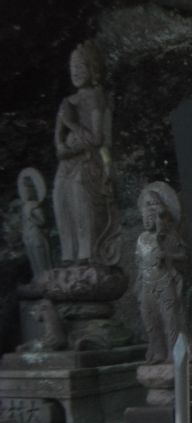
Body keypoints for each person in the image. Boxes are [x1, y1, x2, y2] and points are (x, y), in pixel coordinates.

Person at [52, 40, 119, 265]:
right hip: (68, 161)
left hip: (89, 160)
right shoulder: (66, 102)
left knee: (79, 189)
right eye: (73, 67)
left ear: (93, 69)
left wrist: (71, 124)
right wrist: (63, 146)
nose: (76, 71)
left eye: (81, 66)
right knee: (59, 194)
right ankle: (68, 256)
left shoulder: (95, 96)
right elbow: (58, 144)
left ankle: (87, 254)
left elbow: (97, 139)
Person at [135, 182, 190, 364]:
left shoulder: (169, 237)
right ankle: (157, 351)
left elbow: (183, 256)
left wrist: (167, 255)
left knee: (170, 319)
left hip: (165, 282)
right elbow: (138, 262)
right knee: (150, 319)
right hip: (146, 283)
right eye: (146, 211)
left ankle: (174, 353)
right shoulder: (142, 238)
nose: (149, 216)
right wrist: (138, 285)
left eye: (153, 212)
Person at [17, 167, 52, 284]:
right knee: (33, 260)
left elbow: (42, 222)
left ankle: (45, 277)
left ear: (32, 190)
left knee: (40, 259)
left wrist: (31, 216)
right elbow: (23, 223)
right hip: (28, 236)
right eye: (23, 190)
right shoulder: (24, 207)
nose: (25, 192)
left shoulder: (35, 206)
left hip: (37, 235)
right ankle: (37, 277)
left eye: (27, 189)